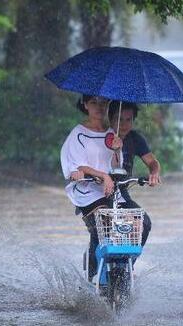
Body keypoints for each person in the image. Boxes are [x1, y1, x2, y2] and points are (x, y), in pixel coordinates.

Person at [60, 94, 123, 282]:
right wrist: (103, 176)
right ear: (85, 105)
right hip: (87, 192)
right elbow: (79, 166)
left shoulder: (112, 133)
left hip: (110, 191)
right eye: (94, 102)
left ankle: (120, 271)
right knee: (102, 224)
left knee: (131, 225)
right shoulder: (78, 133)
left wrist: (117, 149)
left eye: (103, 103)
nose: (99, 107)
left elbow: (117, 167)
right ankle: (93, 275)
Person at [108, 101, 161, 247]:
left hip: (121, 191)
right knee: (101, 228)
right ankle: (94, 265)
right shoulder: (101, 137)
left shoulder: (135, 139)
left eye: (128, 120)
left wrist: (154, 173)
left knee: (144, 223)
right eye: (119, 120)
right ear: (110, 119)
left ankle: (127, 265)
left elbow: (152, 162)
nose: (124, 124)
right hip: (98, 190)